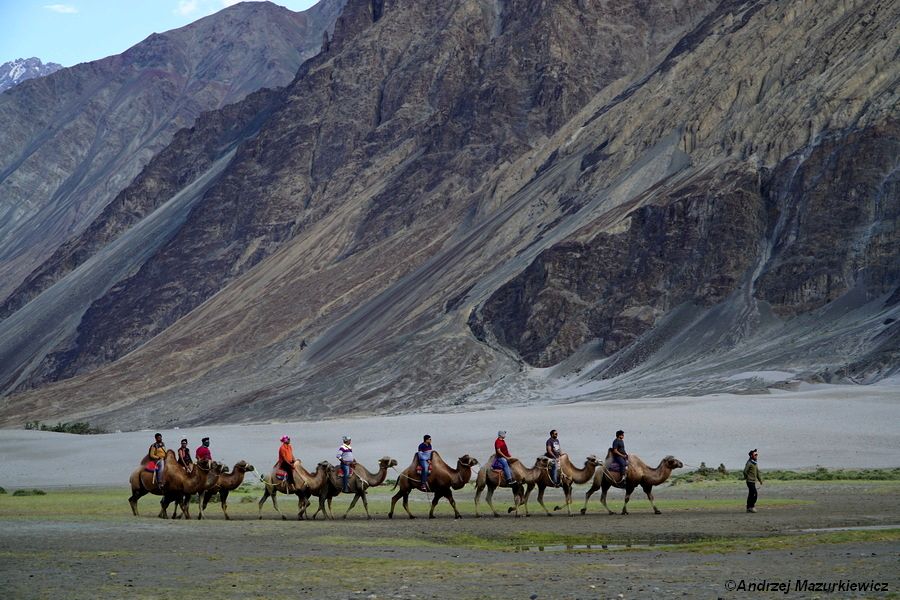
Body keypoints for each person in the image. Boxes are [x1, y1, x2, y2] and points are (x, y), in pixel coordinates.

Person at [743, 449, 763, 513]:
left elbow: (757, 472)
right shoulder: (749, 463)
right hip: (749, 481)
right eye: (755, 455)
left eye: (756, 454)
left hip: (753, 481)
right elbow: (744, 471)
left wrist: (760, 480)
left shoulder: (755, 463)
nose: (756, 456)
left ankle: (748, 508)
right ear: (751, 455)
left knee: (751, 494)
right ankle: (751, 507)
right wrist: (747, 477)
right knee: (754, 494)